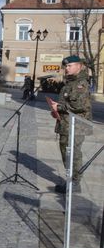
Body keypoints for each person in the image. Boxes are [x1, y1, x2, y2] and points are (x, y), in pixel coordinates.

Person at [48, 55, 92, 193]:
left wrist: (59, 107)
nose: (66, 68)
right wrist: (56, 110)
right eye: (65, 66)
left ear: (79, 66)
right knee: (66, 153)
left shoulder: (81, 83)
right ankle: (70, 181)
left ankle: (75, 183)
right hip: (66, 124)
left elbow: (80, 105)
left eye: (69, 66)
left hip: (76, 125)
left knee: (73, 153)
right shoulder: (70, 82)